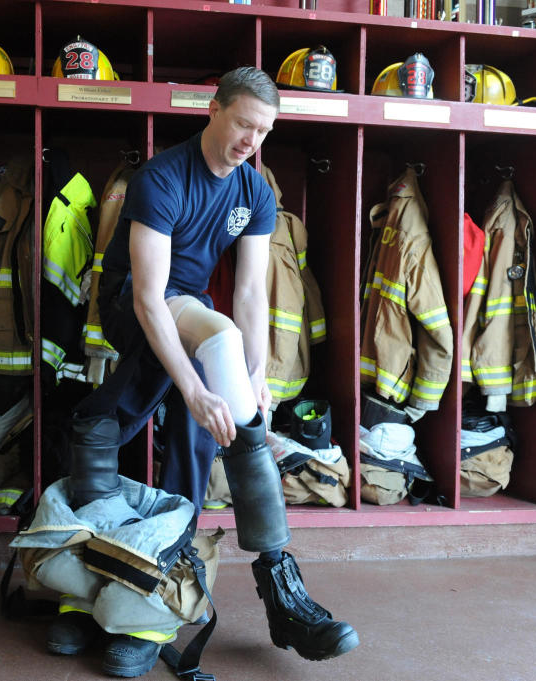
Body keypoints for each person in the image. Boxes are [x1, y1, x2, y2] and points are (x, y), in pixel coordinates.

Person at [51, 66, 360, 677]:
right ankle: (86, 593)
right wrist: (195, 390)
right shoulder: (161, 177)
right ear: (213, 110)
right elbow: (148, 298)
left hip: (189, 308)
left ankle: (174, 599)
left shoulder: (256, 191)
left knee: (176, 422)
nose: (251, 140)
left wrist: (256, 374)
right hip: (132, 305)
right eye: (244, 124)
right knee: (202, 358)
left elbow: (250, 293)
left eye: (264, 131)